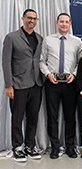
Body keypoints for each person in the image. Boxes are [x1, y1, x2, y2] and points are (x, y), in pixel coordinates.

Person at [39, 13, 82, 159]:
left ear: (70, 24)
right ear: (57, 23)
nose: (64, 24)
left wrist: (74, 75)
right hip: (52, 83)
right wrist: (48, 74)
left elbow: (81, 62)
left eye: (67, 22)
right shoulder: (48, 40)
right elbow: (41, 61)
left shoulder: (77, 42)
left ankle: (70, 147)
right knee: (53, 116)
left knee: (70, 117)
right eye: (61, 22)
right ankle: (55, 148)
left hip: (70, 84)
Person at [2, 9, 43, 162]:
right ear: (23, 18)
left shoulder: (40, 38)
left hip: (36, 84)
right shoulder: (11, 37)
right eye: (29, 18)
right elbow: (6, 63)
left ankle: (30, 146)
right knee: (17, 118)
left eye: (34, 18)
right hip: (18, 84)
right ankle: (17, 147)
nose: (31, 21)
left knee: (33, 117)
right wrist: (8, 85)